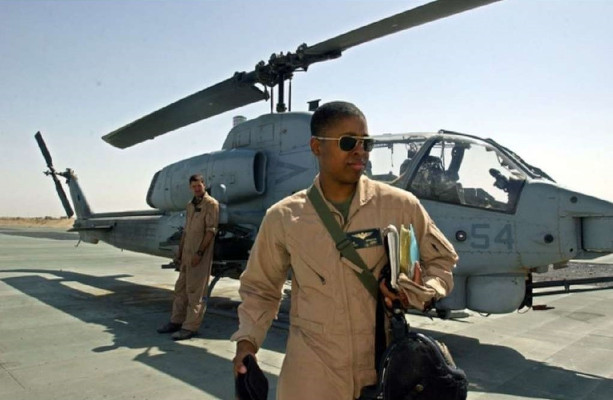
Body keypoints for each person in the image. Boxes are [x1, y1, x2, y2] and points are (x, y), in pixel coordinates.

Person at [231, 101, 458, 399]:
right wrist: (247, 343)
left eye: (366, 143)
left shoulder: (400, 206)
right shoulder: (284, 217)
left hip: (383, 365)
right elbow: (261, 288)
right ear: (316, 147)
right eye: (348, 142)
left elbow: (441, 261)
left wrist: (421, 290)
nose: (360, 151)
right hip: (311, 370)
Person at [157, 174, 219, 341]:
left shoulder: (211, 204)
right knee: (180, 289)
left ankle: (190, 327)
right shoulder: (190, 205)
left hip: (200, 256)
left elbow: (211, 231)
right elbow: (186, 231)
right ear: (190, 188)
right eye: (194, 186)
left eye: (199, 186)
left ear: (204, 185)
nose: (197, 189)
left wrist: (199, 253)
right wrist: (180, 251)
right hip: (186, 255)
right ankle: (176, 321)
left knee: (195, 292)